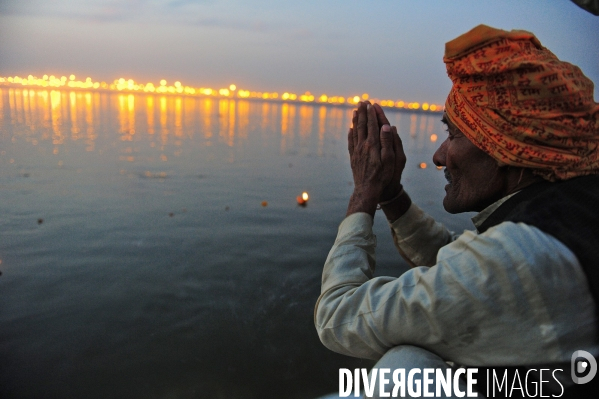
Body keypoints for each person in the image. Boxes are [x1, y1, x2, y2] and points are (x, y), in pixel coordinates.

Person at [314, 24, 599, 398]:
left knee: (406, 368)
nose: (438, 156)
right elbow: (461, 270)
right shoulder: (573, 207)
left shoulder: (513, 259)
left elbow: (338, 317)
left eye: (454, 135)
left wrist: (363, 195)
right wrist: (392, 195)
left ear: (504, 147)